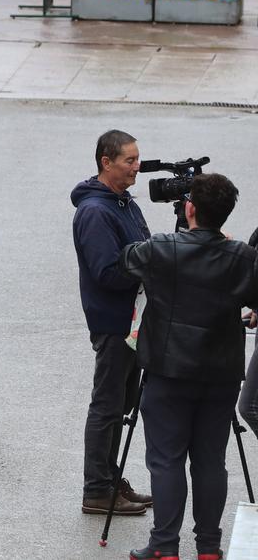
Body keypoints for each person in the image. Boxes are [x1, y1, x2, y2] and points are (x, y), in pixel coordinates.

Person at [121, 173, 258, 560]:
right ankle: (209, 547)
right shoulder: (243, 258)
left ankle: (165, 546)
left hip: (169, 371)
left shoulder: (162, 249)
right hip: (220, 374)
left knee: (166, 460)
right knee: (210, 460)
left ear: (190, 209)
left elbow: (126, 259)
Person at [71, 129, 154, 518]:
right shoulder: (95, 212)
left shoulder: (122, 203)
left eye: (137, 159)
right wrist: (148, 266)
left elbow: (140, 248)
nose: (137, 167)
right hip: (114, 323)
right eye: (130, 161)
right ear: (107, 162)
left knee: (121, 403)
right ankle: (97, 490)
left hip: (132, 321)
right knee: (106, 406)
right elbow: (107, 272)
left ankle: (109, 478)